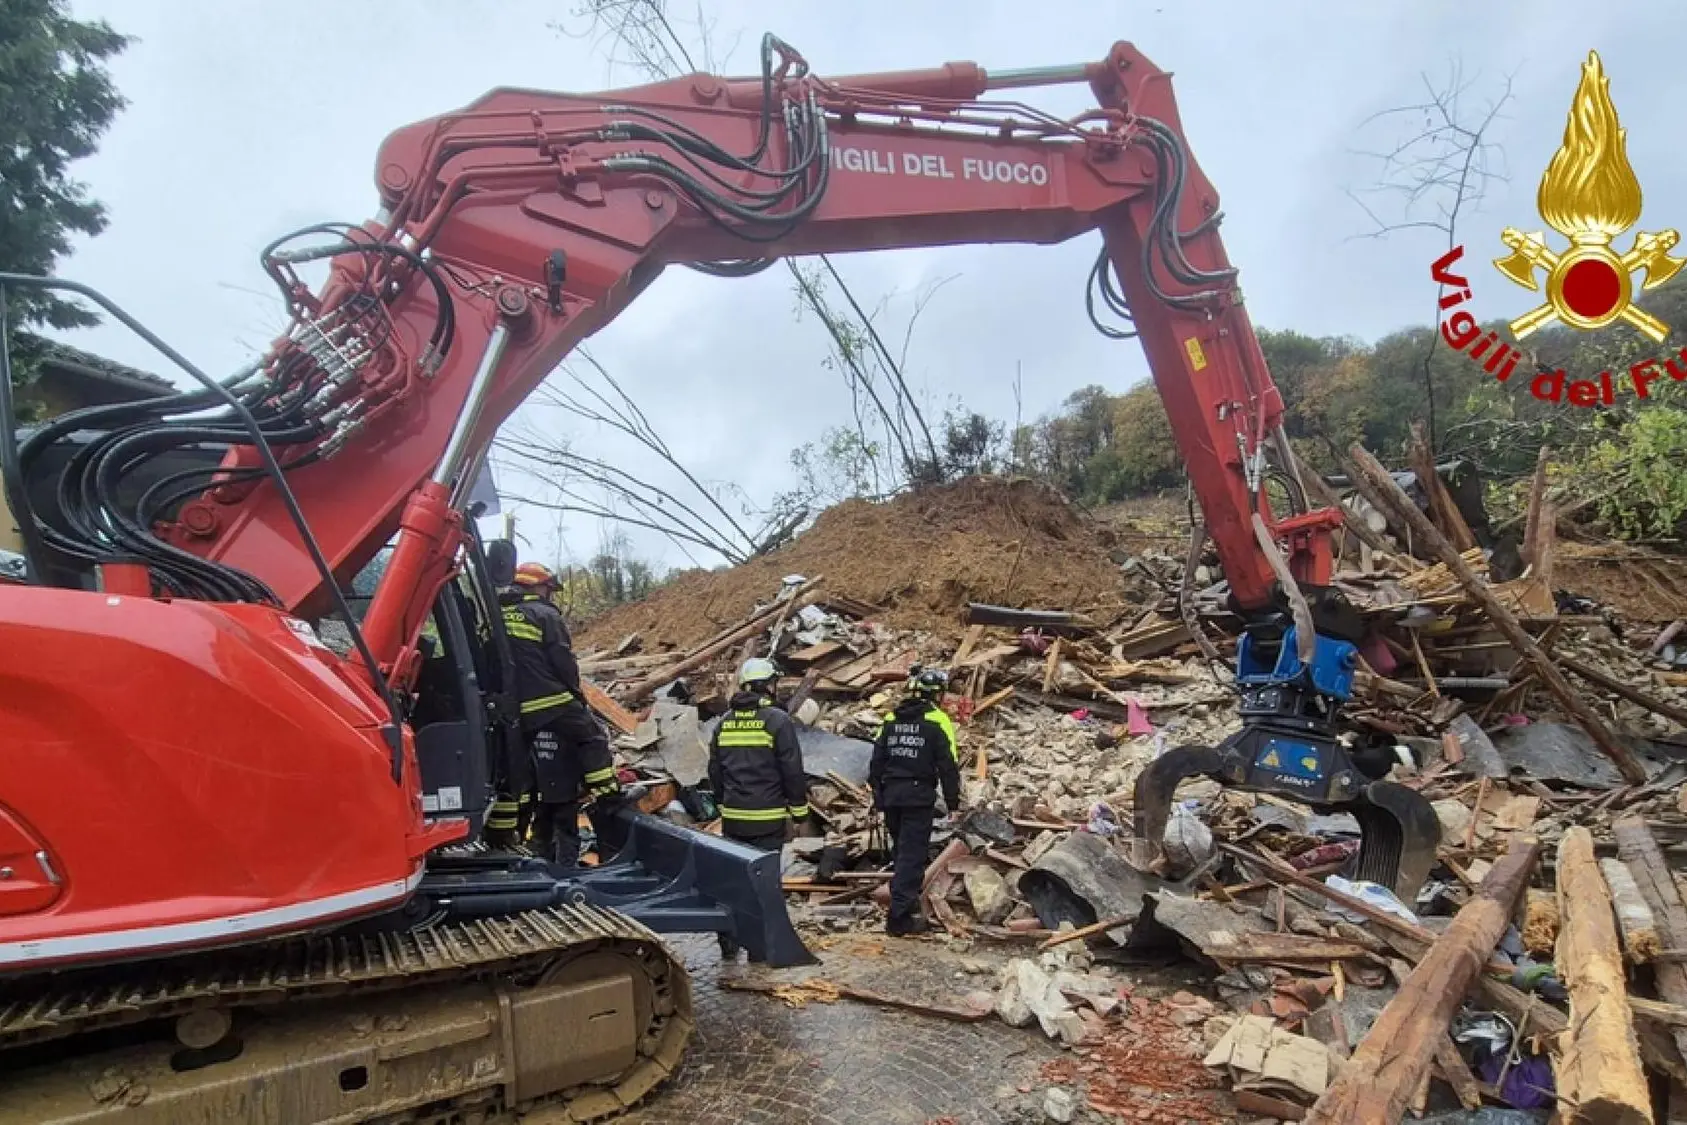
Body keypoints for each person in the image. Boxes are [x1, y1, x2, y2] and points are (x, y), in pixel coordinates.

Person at [499, 561, 620, 868]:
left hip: (512, 706)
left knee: (520, 771)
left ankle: (513, 839)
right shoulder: (545, 615)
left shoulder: (496, 614)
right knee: (592, 736)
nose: (549, 595)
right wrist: (576, 696)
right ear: (537, 587)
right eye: (548, 589)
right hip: (547, 698)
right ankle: (608, 797)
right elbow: (562, 661)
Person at [870, 665, 961, 936]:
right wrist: (953, 803)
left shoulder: (890, 720)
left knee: (902, 854)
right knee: (912, 856)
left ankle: (907, 908)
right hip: (917, 797)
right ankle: (898, 920)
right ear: (936, 695)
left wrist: (879, 798)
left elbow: (876, 763)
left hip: (892, 796)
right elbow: (948, 765)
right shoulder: (937, 721)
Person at [707, 657, 808, 852]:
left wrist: (722, 804)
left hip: (733, 818)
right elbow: (792, 770)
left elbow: (715, 770)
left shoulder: (724, 723)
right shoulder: (778, 721)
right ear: (768, 686)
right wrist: (799, 814)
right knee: (765, 875)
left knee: (739, 874)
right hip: (768, 818)